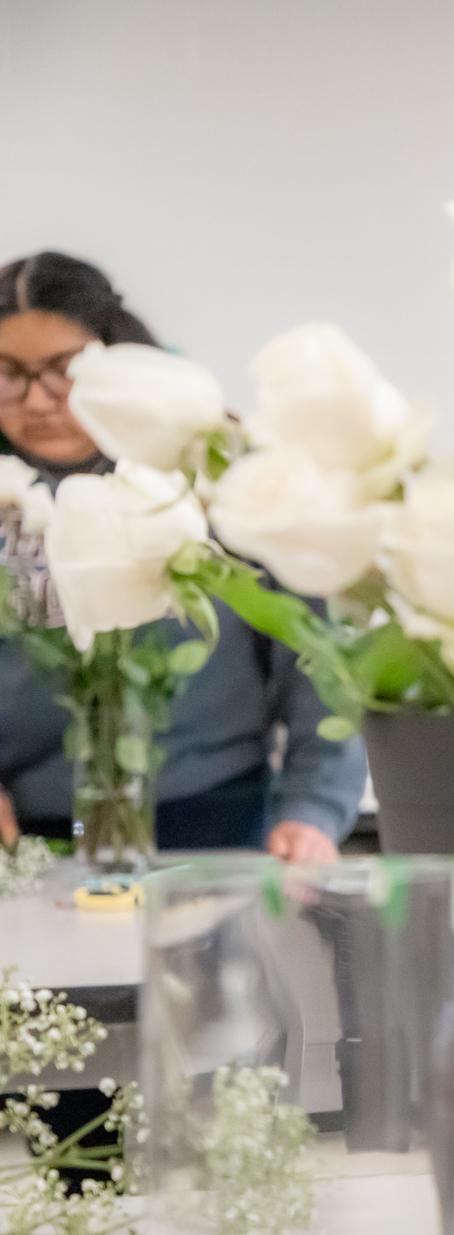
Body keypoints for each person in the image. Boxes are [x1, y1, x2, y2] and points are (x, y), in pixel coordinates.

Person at [0, 251, 365, 861]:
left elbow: (318, 652)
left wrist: (315, 808)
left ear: (117, 362)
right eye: (8, 373)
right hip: (35, 834)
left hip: (217, 818)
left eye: (62, 369)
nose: (37, 400)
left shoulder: (214, 475)